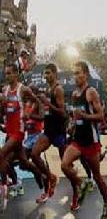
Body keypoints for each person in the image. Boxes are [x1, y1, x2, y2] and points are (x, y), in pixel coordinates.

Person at [61, 61, 107, 218]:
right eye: (73, 73)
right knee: (64, 165)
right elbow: (76, 116)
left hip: (91, 140)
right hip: (78, 139)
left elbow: (101, 116)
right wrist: (72, 124)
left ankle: (106, 203)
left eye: (78, 73)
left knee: (97, 177)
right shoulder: (75, 94)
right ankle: (81, 183)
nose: (75, 76)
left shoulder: (91, 92)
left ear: (86, 74)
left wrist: (84, 116)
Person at [0, 64, 43, 198]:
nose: (7, 76)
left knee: (1, 154)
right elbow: (4, 111)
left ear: (16, 74)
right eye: (5, 74)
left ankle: (4, 187)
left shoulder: (22, 89)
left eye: (9, 73)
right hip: (9, 131)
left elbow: (38, 103)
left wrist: (29, 113)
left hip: (18, 132)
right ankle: (38, 173)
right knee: (23, 162)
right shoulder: (5, 91)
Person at [31, 63, 66, 203]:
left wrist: (48, 103)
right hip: (48, 131)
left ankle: (77, 188)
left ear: (55, 73)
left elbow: (62, 112)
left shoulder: (58, 89)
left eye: (48, 73)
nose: (45, 76)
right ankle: (51, 177)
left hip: (59, 131)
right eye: (44, 74)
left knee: (66, 166)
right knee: (34, 154)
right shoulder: (47, 89)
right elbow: (47, 112)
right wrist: (42, 103)